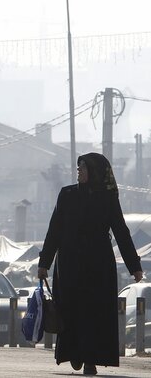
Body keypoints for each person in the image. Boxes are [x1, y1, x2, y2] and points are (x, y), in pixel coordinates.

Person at [38, 153, 144, 376]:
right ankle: (74, 353)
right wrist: (44, 263)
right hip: (69, 265)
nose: (79, 171)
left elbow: (121, 232)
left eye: (83, 168)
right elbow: (54, 230)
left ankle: (90, 359)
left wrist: (134, 265)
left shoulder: (107, 198)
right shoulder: (67, 195)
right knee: (72, 311)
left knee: (93, 313)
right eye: (78, 167)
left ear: (94, 172)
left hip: (98, 266)